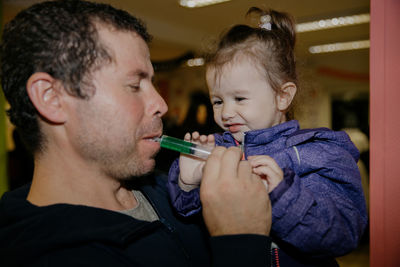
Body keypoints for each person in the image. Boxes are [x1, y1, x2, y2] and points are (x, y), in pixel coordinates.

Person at [0, 1, 273, 266]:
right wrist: (240, 240)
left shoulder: (173, 188)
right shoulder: (52, 256)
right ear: (52, 98)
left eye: (151, 83)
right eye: (134, 85)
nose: (162, 105)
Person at [167, 7, 368, 266]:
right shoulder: (219, 148)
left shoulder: (319, 152)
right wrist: (188, 182)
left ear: (282, 96)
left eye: (239, 98)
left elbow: (342, 235)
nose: (226, 112)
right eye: (217, 101)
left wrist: (282, 195)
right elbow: (188, 219)